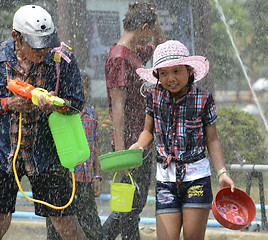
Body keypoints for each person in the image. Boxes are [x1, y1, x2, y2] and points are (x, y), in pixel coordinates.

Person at [130, 40, 235, 240]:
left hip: (196, 178)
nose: (170, 78)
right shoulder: (154, 96)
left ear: (189, 70)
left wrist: (222, 172)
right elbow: (147, 131)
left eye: (177, 71)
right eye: (163, 73)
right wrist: (138, 146)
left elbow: (212, 140)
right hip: (165, 180)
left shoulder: (203, 99)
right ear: (157, 75)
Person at [0, 5, 87, 240]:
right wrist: (8, 104)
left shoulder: (62, 58)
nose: (44, 50)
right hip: (4, 154)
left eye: (48, 43)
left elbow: (78, 102)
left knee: (67, 223)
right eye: (37, 45)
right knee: (1, 221)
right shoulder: (0, 60)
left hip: (46, 156)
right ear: (16, 37)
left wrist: (57, 105)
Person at [103, 1, 165, 239]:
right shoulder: (120, 57)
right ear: (143, 27)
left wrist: (156, 21)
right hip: (129, 147)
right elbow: (117, 108)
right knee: (125, 210)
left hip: (141, 143)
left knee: (132, 211)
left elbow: (161, 48)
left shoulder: (133, 53)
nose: (150, 36)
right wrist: (120, 155)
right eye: (150, 29)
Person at [46, 70, 103, 240]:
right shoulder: (56, 116)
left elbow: (96, 147)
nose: (82, 91)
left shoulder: (91, 115)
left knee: (92, 228)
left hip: (84, 181)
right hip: (63, 180)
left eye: (85, 87)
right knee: (57, 227)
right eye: (77, 86)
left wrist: (97, 176)